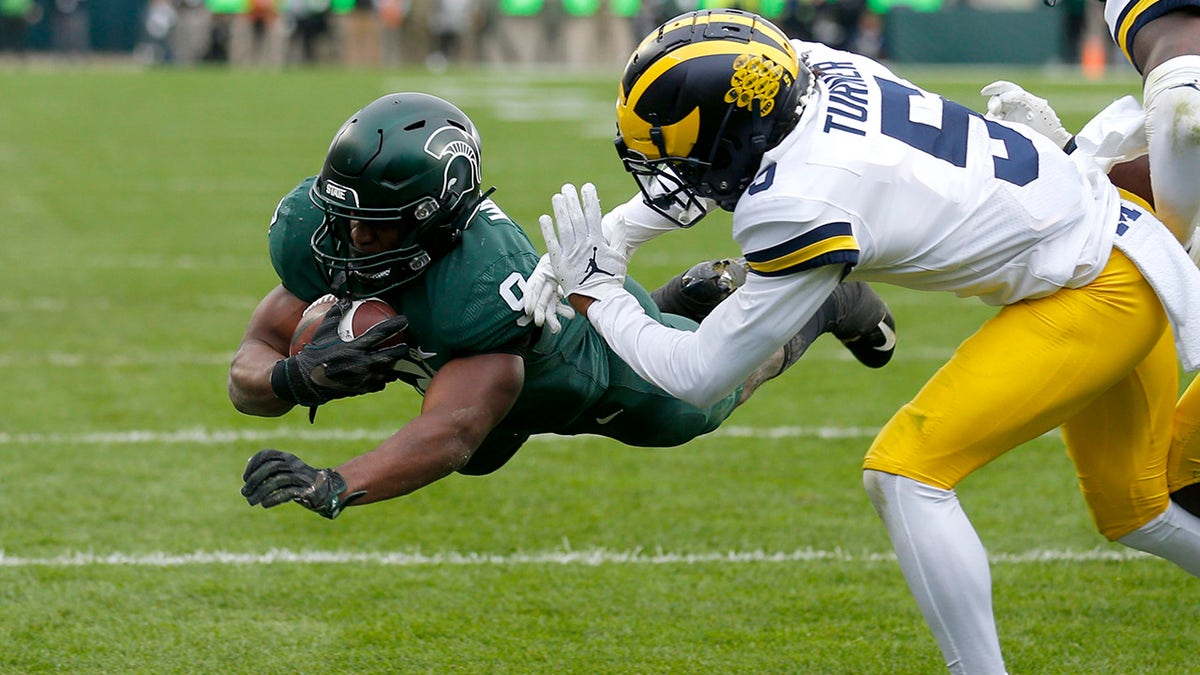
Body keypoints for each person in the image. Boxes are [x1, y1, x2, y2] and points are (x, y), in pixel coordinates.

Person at [536, 9, 1200, 674]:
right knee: (1135, 509)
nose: (667, 173)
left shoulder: (803, 201)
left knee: (906, 474)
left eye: (677, 153)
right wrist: (616, 238)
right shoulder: (813, 67)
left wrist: (599, 291)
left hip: (1096, 288)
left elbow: (697, 373)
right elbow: (727, 147)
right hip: (1122, 234)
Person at [230, 91, 896, 520]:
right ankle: (685, 297)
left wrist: (334, 482)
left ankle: (826, 305)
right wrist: (292, 378)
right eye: (344, 216)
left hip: (598, 379)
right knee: (490, 448)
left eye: (377, 224)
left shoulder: (482, 289)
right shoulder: (319, 236)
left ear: (436, 219)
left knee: (705, 399)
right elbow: (250, 365)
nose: (351, 240)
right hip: (493, 383)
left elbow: (451, 433)